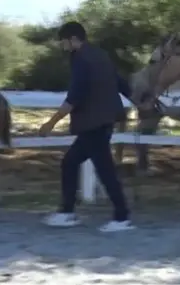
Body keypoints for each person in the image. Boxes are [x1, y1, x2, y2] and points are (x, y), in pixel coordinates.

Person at [38, 21, 134, 233]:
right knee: (70, 162)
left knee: (104, 169)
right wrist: (138, 100)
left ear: (73, 39)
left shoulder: (81, 60)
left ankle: (122, 216)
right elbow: (120, 82)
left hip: (93, 123)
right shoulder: (100, 55)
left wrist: (50, 123)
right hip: (105, 119)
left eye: (63, 42)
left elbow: (74, 97)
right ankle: (67, 212)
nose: (62, 46)